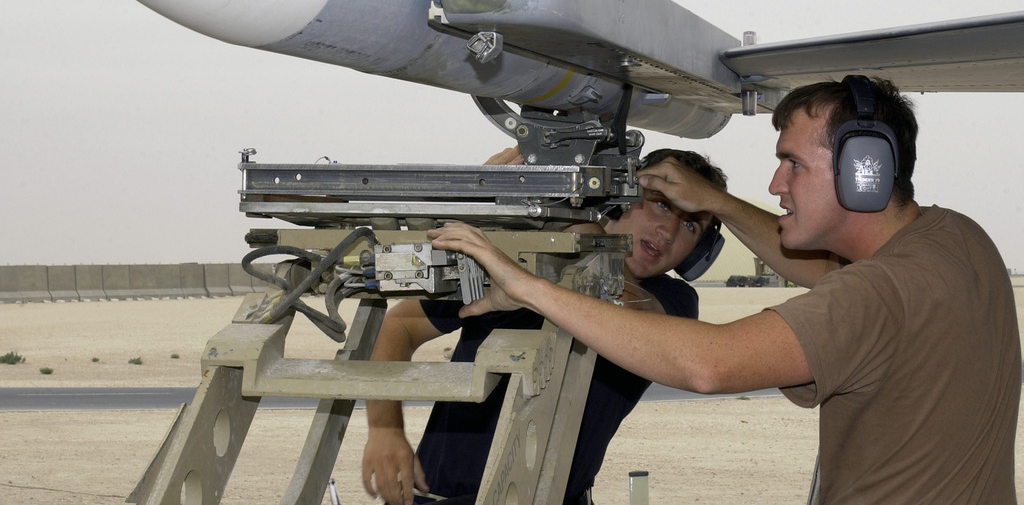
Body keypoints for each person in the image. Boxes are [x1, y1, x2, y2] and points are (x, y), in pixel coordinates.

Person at [433, 77, 1021, 503]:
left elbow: (708, 364)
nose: (775, 184)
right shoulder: (956, 239)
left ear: (861, 169)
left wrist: (531, 287)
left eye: (793, 165)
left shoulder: (876, 295)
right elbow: (823, 270)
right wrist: (714, 202)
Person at [361, 149, 729, 505]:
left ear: (699, 251)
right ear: (622, 195)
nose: (667, 231)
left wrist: (572, 221)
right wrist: (384, 428)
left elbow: (626, 301)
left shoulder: (672, 301)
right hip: (438, 494)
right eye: (661, 204)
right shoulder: (516, 255)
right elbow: (400, 326)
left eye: (689, 225)